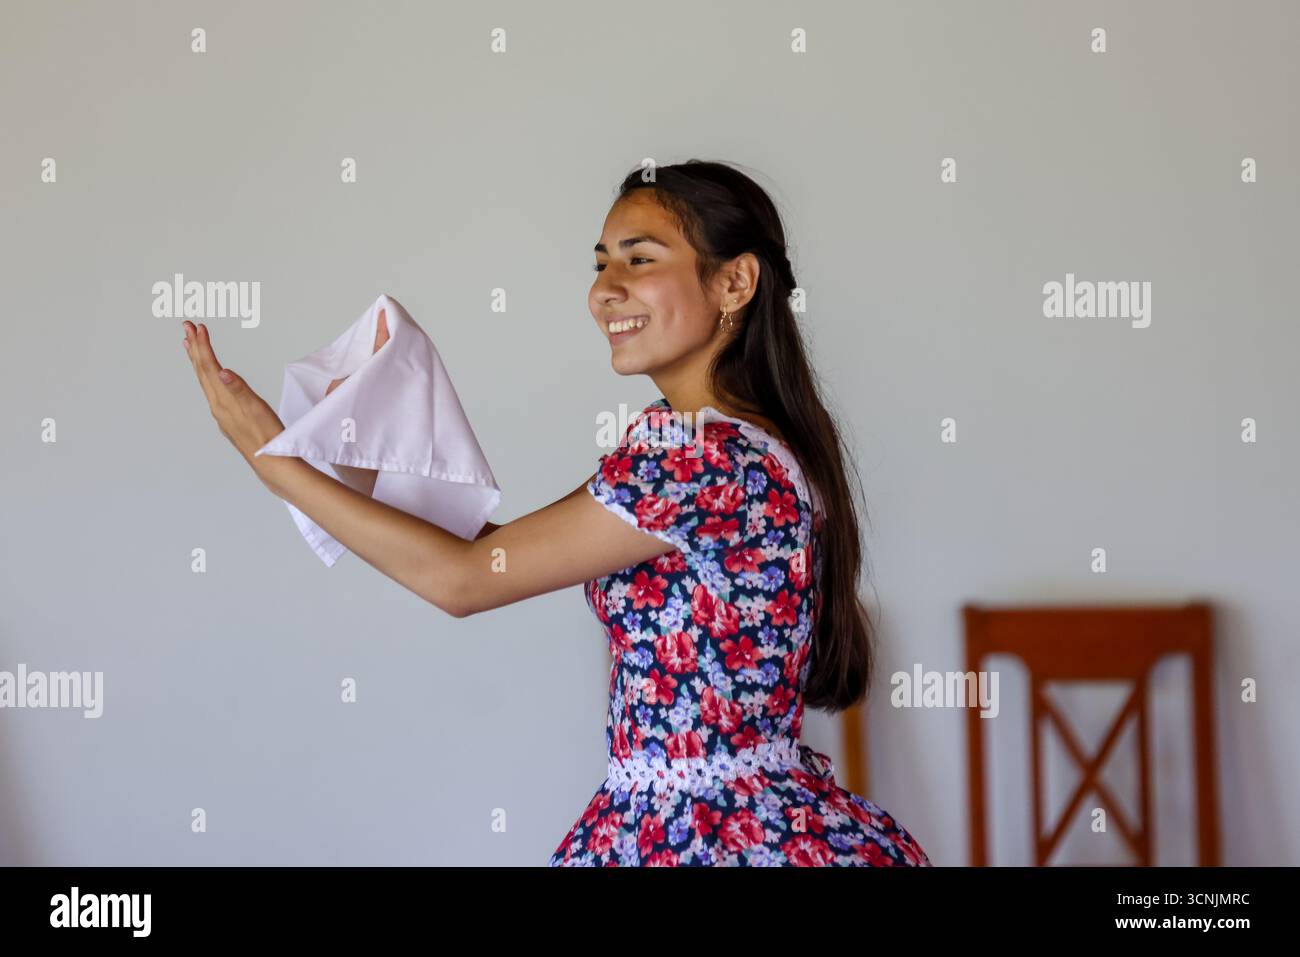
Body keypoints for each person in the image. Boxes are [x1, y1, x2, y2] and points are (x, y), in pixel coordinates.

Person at [180, 159, 932, 867]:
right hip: (743, 819)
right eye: (601, 261)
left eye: (639, 259)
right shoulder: (732, 444)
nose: (604, 289)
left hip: (699, 835)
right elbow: (500, 553)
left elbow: (468, 581)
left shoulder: (699, 457)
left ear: (735, 281)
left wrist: (269, 459)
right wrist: (366, 445)